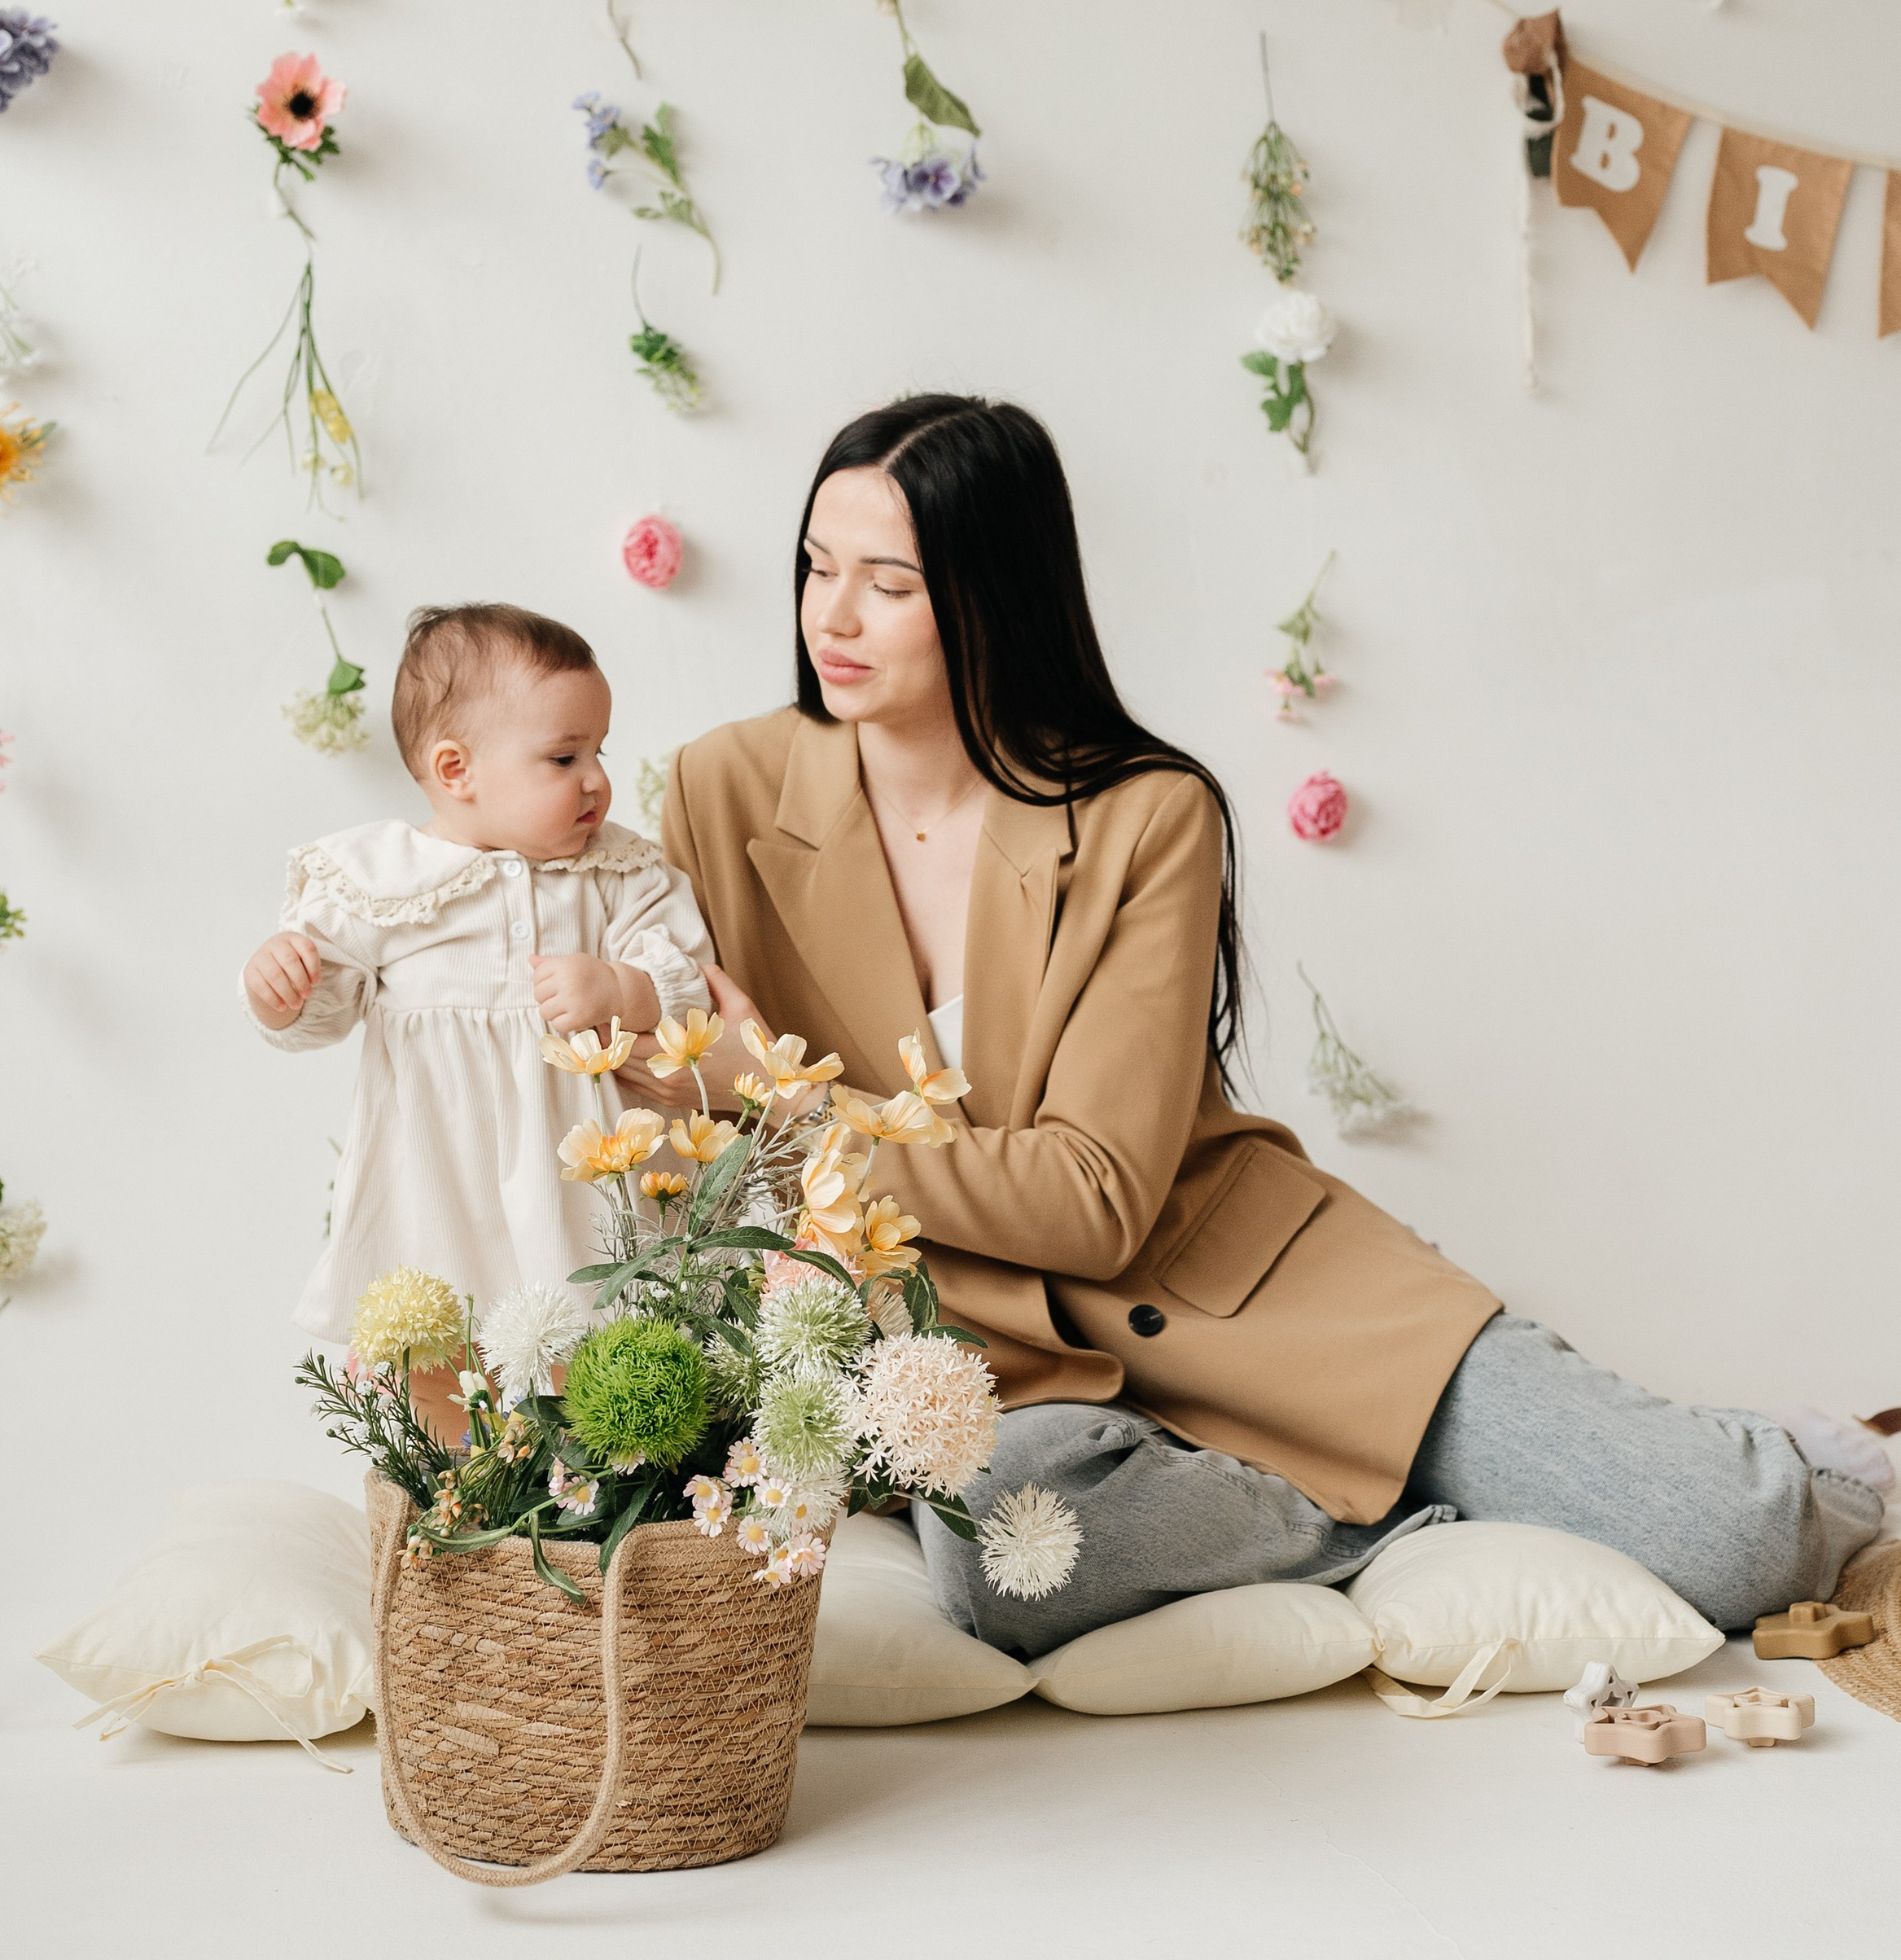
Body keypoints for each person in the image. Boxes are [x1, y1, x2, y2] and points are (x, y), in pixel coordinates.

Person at [661, 395, 1886, 1659]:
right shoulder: (722, 788)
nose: (831, 617)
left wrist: (795, 1114)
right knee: (1008, 1564)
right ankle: (1390, 1513)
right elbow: (672, 1103)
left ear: (993, 596)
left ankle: (1791, 1455)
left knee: (1738, 1542)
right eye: (815, 567)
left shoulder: (1146, 813)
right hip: (978, 1370)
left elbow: (1093, 1200)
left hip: (1252, 1297)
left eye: (888, 583)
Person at [242, 602, 713, 1363]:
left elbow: (687, 976)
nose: (597, 781)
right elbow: (320, 1009)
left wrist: (621, 989)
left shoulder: (614, 870)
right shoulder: (381, 879)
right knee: (447, 1359)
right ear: (456, 770)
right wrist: (280, 984)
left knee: (594, 1344)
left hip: (582, 1174)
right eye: (565, 759)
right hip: (437, 1170)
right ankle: (455, 1471)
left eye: (600, 751)